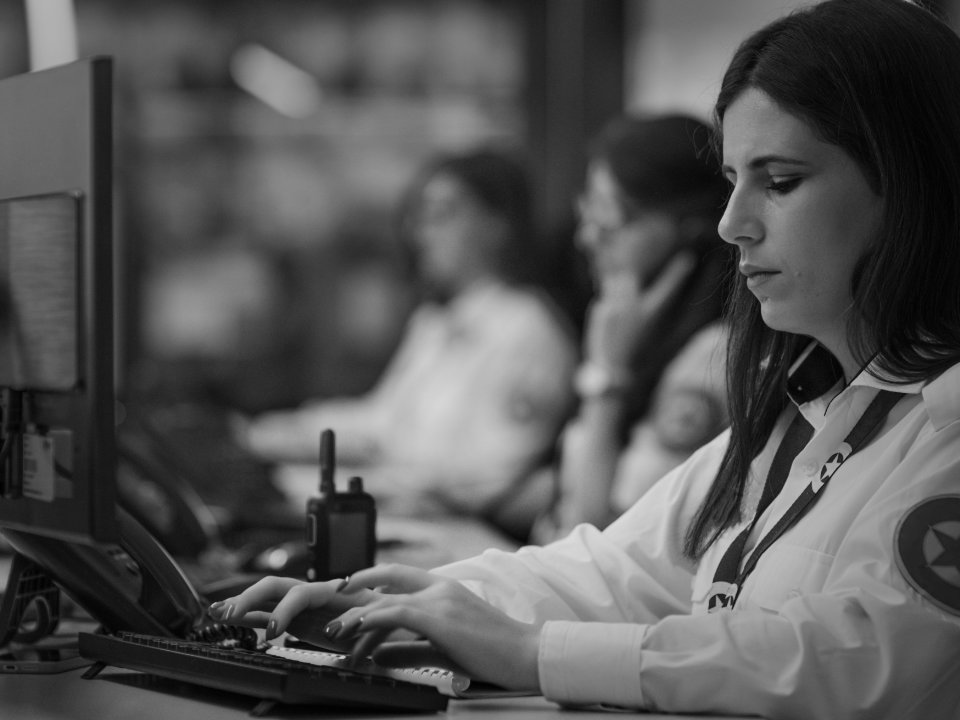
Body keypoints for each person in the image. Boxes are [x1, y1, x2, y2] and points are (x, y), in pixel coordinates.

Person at [211, 1, 960, 716]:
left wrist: (535, 651)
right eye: (734, 182)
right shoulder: (795, 411)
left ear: (909, 184)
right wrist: (411, 596)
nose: (734, 226)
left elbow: (854, 661)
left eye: (781, 183)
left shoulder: (943, 425)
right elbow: (611, 570)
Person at [240, 148, 578, 515]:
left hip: (468, 531)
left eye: (442, 215)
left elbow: (492, 472)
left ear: (499, 225)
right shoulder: (435, 321)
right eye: (421, 216)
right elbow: (381, 424)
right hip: (407, 507)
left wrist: (384, 480)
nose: (421, 233)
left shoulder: (529, 330)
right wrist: (271, 433)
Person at [523, 114, 732, 542]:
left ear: (689, 231)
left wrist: (607, 379)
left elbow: (598, 536)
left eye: (608, 221)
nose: (586, 238)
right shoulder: (645, 334)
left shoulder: (710, 358)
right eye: (586, 213)